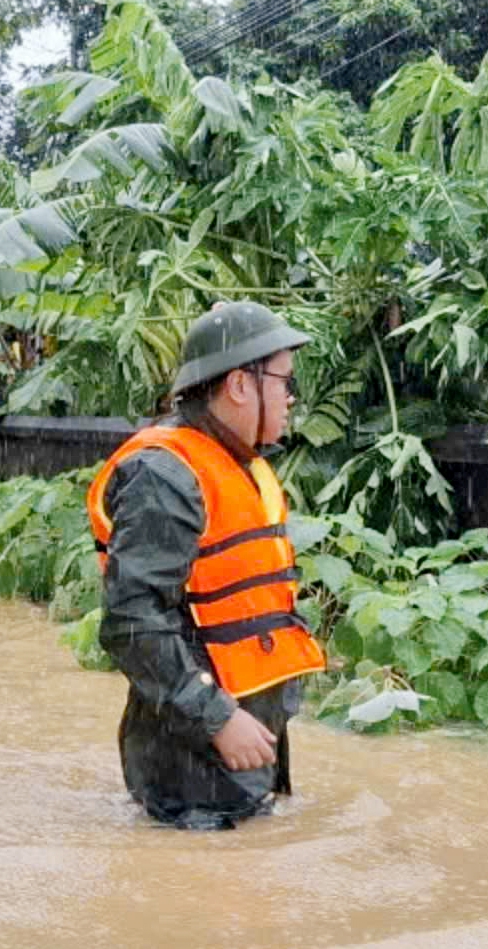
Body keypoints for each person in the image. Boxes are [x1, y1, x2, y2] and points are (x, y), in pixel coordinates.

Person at [86, 302, 327, 829]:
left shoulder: (236, 463)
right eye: (284, 381)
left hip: (234, 752)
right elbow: (131, 621)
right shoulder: (165, 475)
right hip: (193, 766)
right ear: (240, 384)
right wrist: (217, 718)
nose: (290, 397)